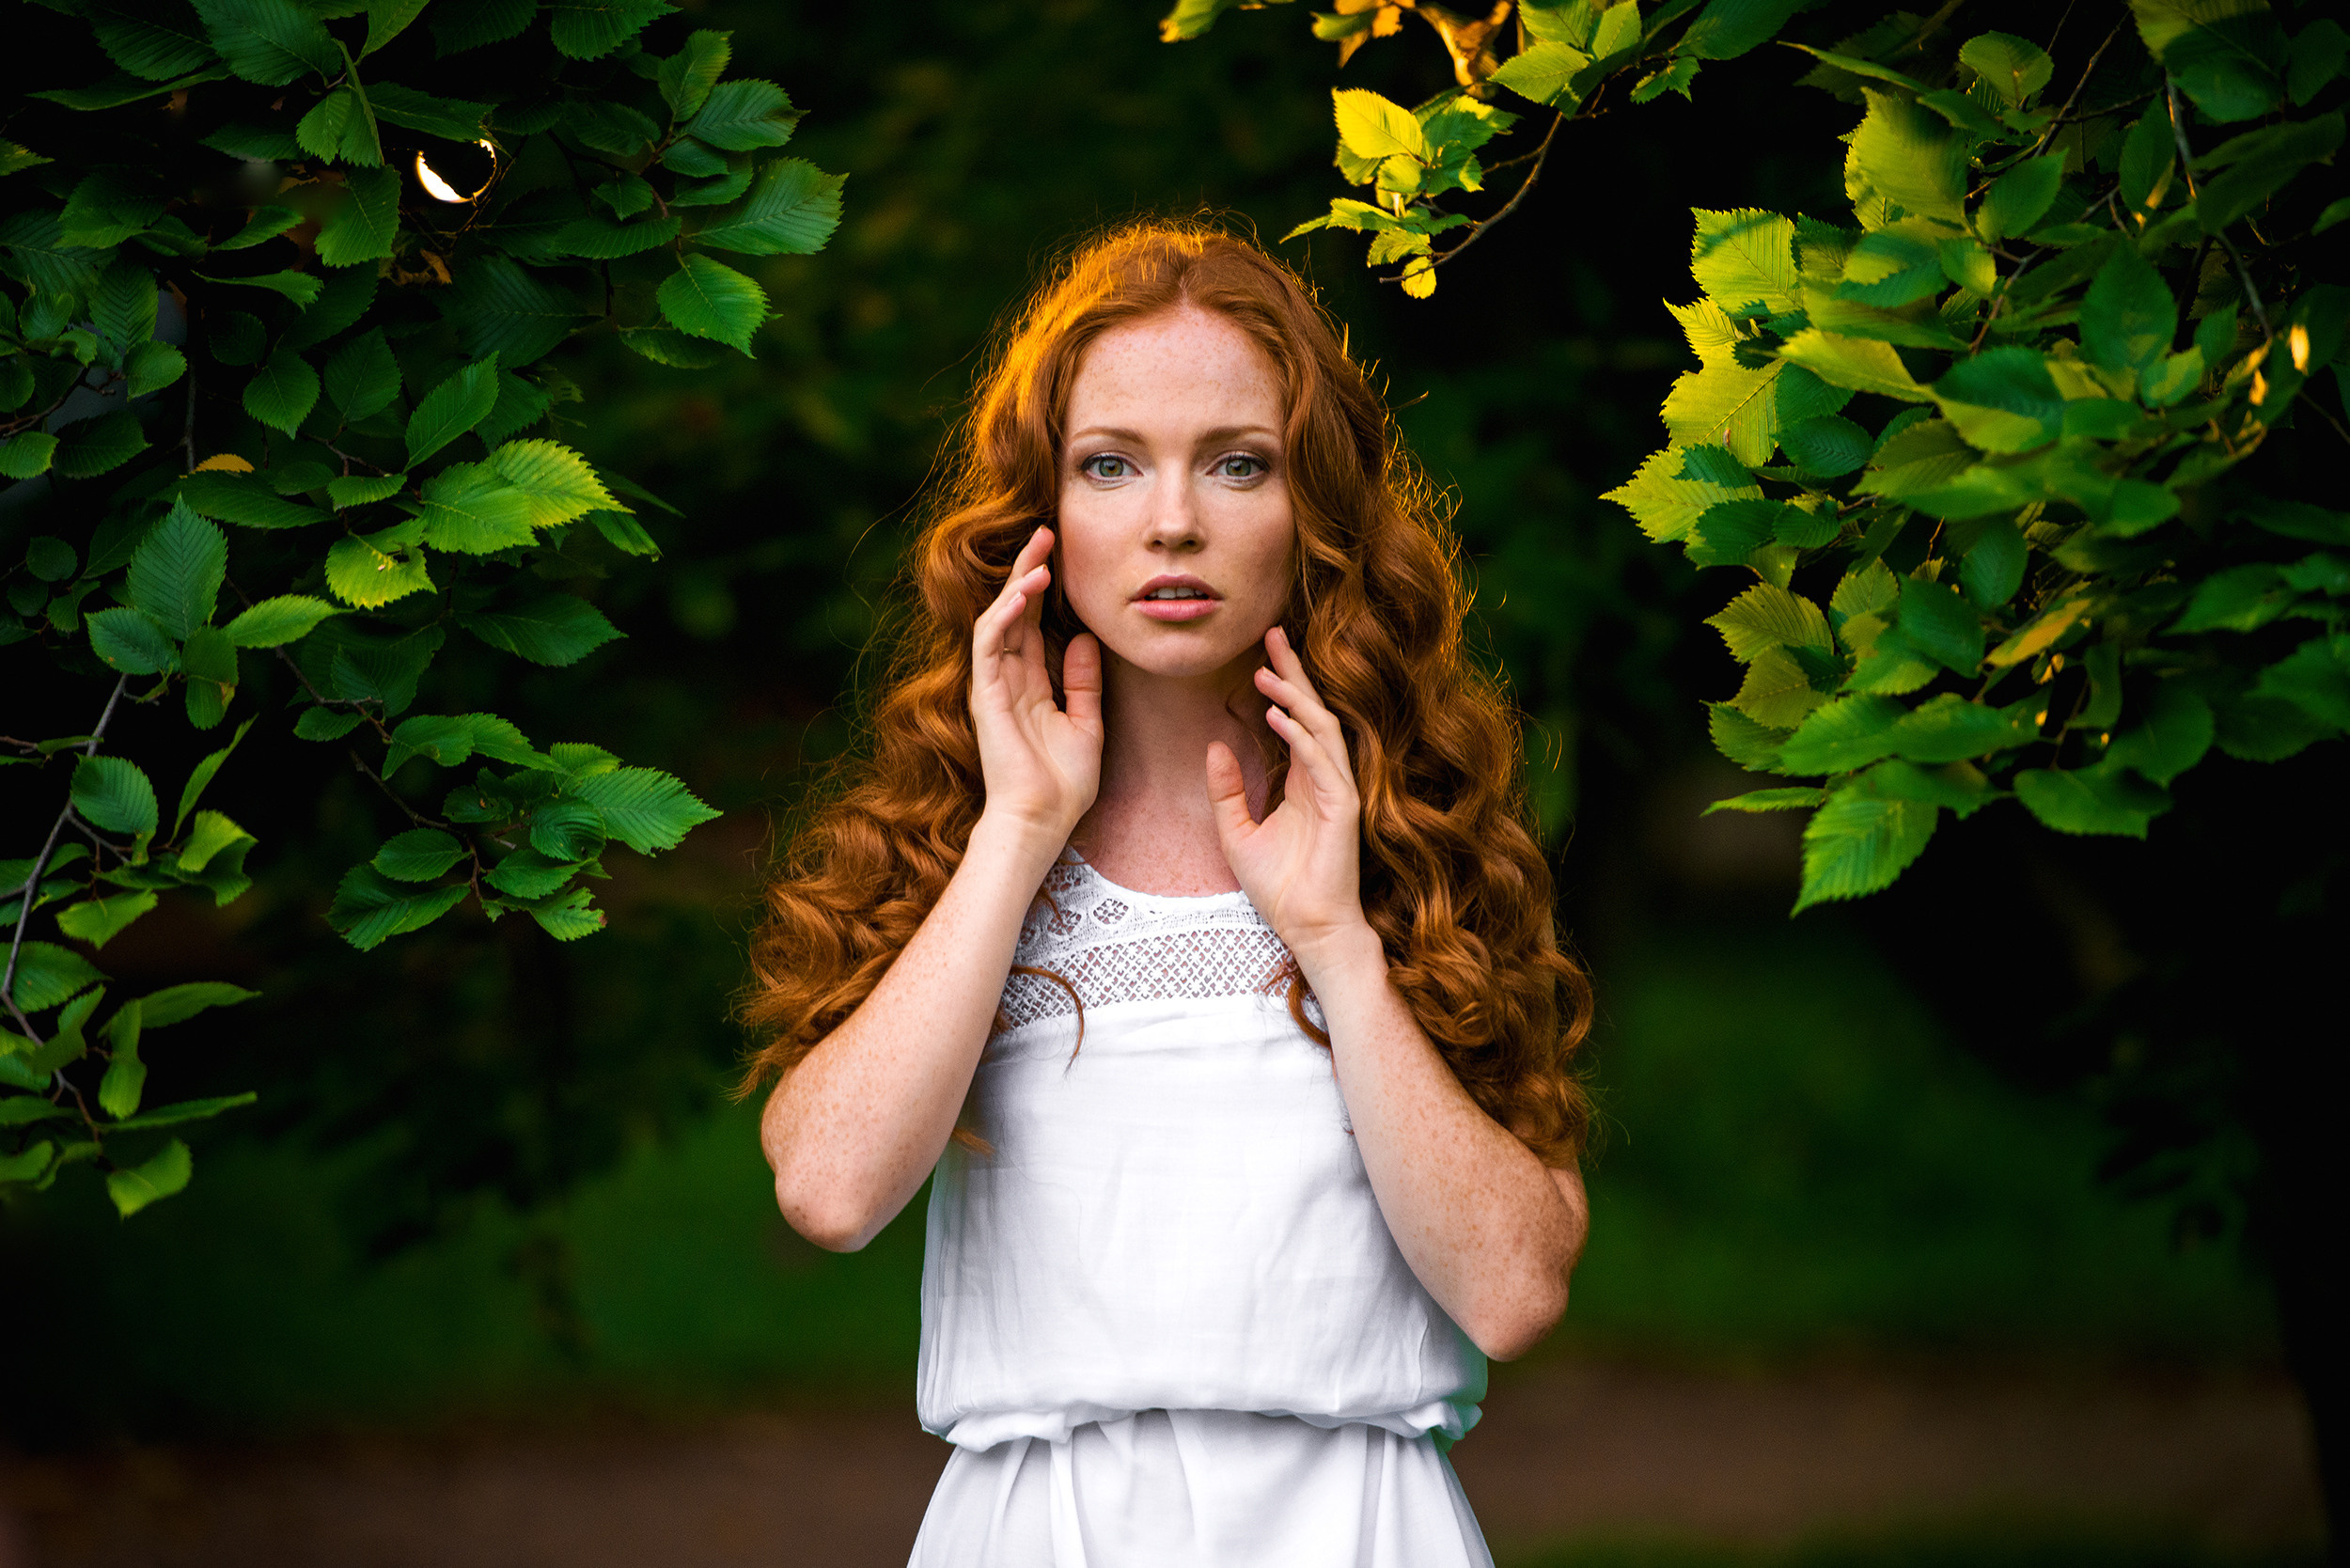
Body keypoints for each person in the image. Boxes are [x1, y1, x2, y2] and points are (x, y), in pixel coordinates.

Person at [742, 219, 1592, 1567]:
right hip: (1041, 1532)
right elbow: (830, 1191)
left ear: (1314, 507)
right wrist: (1021, 832)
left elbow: (1512, 1289)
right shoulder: (964, 845)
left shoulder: (1420, 844)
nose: (1174, 521)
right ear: (1044, 516)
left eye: (1237, 464)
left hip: (1362, 1531)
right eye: (1111, 465)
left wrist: (1333, 941)